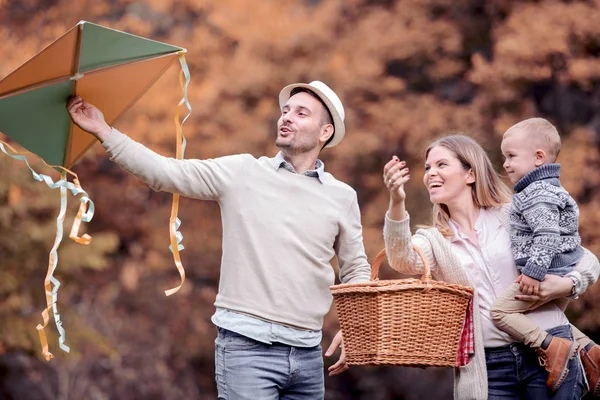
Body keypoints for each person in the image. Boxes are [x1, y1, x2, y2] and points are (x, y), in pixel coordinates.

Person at [66, 80, 370, 400]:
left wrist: (356, 328)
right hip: (247, 350)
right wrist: (103, 130)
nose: (286, 117)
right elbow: (165, 172)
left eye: (301, 113)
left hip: (308, 356)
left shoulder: (342, 197)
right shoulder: (242, 173)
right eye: (285, 110)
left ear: (325, 132)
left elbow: (356, 270)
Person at [381, 134, 599, 399]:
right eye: (427, 168)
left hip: (551, 353)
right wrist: (396, 200)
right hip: (489, 368)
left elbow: (583, 258)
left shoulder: (513, 215)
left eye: (441, 165)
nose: (431, 174)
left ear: (470, 174)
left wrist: (568, 283)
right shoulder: (434, 240)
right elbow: (401, 259)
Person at [490, 118, 600, 394]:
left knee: (500, 311)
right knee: (546, 315)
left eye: (511, 156)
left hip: (548, 273)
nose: (505, 163)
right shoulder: (549, 188)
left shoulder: (536, 193)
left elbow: (547, 235)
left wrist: (532, 272)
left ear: (538, 157)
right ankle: (588, 350)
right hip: (563, 270)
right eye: (504, 156)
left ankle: (554, 348)